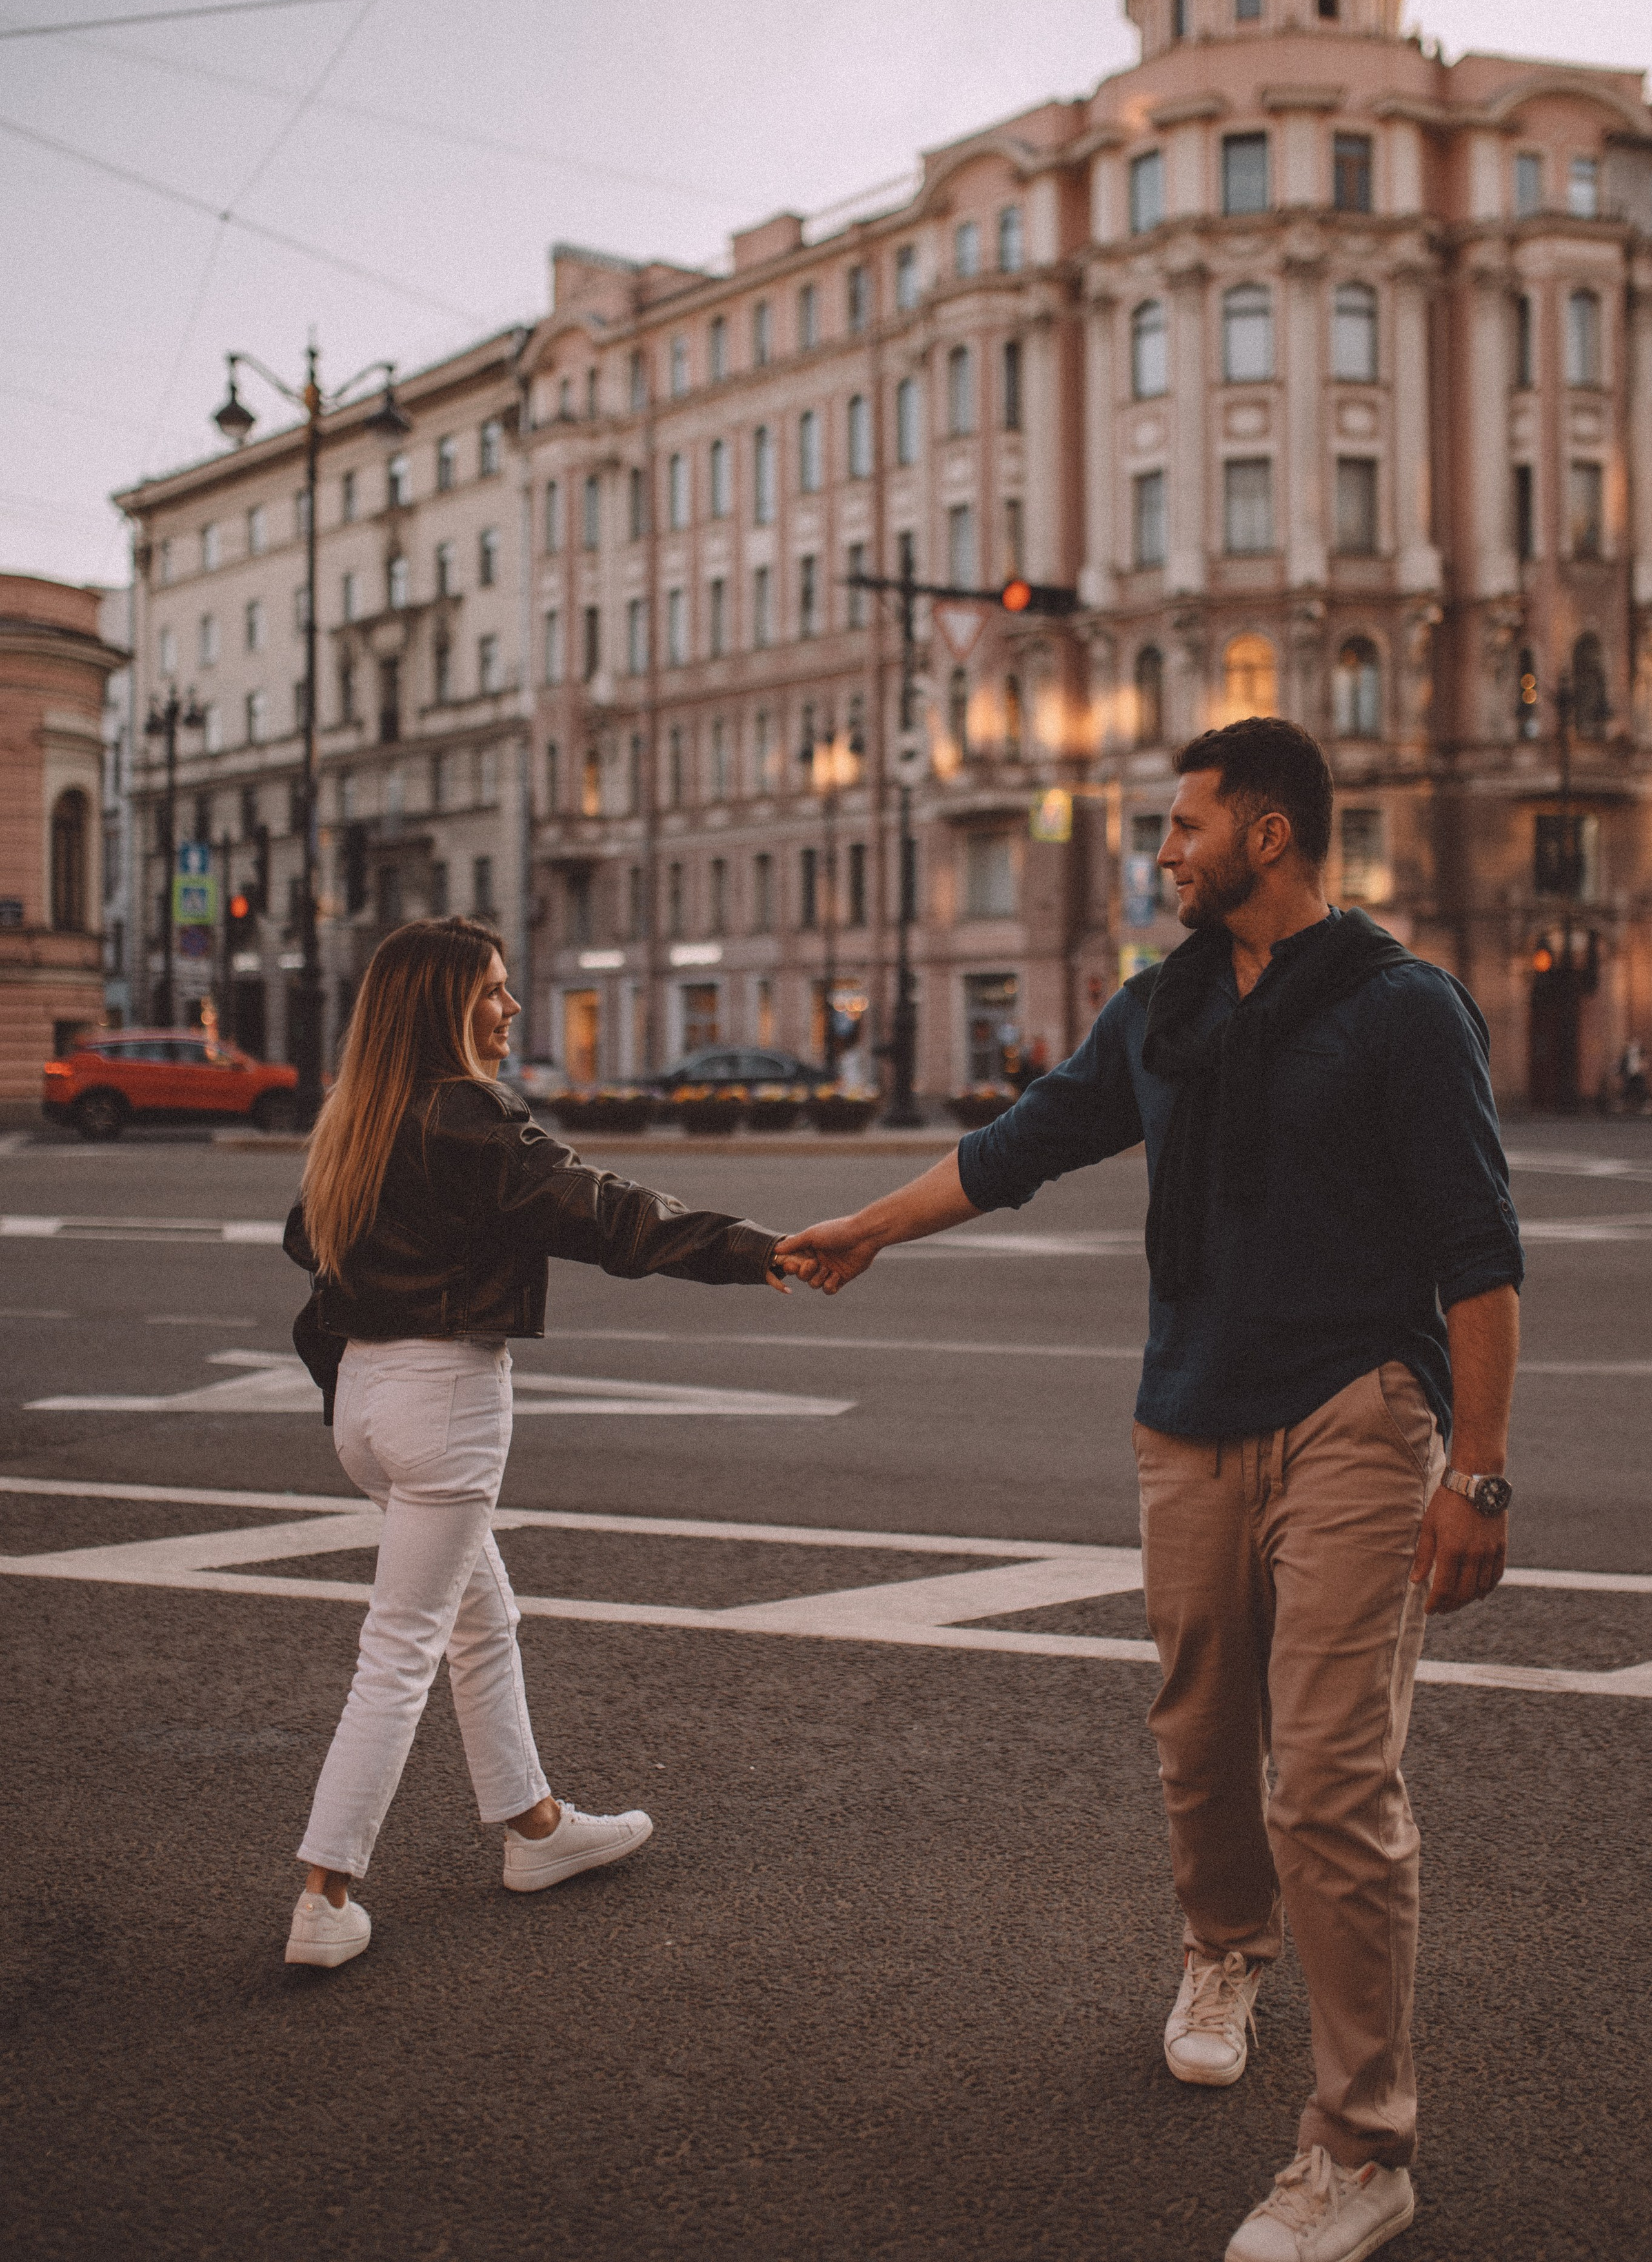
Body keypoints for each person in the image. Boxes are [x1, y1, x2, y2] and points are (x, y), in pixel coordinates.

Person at [778, 720, 1523, 2262]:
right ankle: (1221, 1950)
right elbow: (1019, 1145)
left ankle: (1361, 2144)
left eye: (1182, 827)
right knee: (1195, 1732)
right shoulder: (1162, 1008)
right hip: (1185, 1415)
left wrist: (1480, 1476)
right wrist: (869, 1223)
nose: (1160, 851)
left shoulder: (1400, 1011)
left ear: (1266, 835)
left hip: (1355, 1419)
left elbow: (1481, 1256)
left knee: (1329, 1782)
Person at [283, 916, 800, 1972]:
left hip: (366, 1405)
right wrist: (762, 1253)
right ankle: (324, 1896)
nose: (512, 1009)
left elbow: (307, 1237)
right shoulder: (469, 1116)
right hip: (444, 1400)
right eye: (494, 992)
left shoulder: (359, 1114)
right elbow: (605, 1214)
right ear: (443, 1006)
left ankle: (534, 1829)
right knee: (400, 1651)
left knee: (483, 1618)